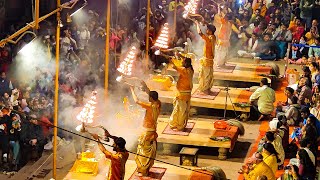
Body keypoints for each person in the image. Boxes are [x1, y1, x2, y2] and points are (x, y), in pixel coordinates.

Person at [130, 84, 161, 177]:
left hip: (147, 132)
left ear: (151, 98)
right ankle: (145, 169)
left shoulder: (150, 106)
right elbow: (152, 95)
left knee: (142, 152)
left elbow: (136, 101)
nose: (148, 98)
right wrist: (146, 88)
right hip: (152, 131)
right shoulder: (158, 104)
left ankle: (143, 169)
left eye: (149, 97)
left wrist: (132, 89)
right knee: (147, 153)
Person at [169, 57, 194, 131]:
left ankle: (179, 125)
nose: (182, 63)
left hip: (182, 94)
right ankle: (178, 124)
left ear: (186, 63)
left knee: (180, 110)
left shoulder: (184, 70)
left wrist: (170, 61)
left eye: (183, 62)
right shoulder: (191, 70)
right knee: (183, 110)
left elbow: (174, 67)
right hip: (186, 93)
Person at [195, 21, 216, 95]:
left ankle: (205, 89)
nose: (206, 31)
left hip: (207, 60)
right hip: (209, 60)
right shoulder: (213, 37)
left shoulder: (209, 39)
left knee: (205, 76)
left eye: (207, 30)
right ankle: (207, 89)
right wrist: (204, 22)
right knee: (208, 75)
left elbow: (200, 33)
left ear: (210, 31)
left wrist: (197, 23)